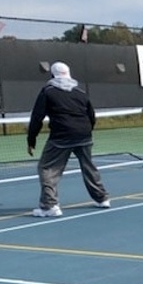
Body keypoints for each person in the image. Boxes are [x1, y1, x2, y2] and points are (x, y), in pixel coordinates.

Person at [26, 62, 110, 218]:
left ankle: (49, 206)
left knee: (46, 169)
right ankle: (102, 198)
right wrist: (85, 131)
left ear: (52, 75)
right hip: (84, 135)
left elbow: (37, 117)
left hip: (61, 137)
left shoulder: (47, 92)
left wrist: (31, 140)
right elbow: (91, 116)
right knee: (89, 167)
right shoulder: (80, 93)